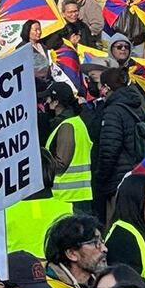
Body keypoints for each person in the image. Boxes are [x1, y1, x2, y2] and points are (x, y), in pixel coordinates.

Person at [93, 66, 145, 208]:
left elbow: (109, 149)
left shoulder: (113, 111)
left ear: (106, 88)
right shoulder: (136, 106)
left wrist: (100, 177)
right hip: (138, 171)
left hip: (117, 178)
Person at [44, 81, 94, 214]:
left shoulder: (67, 126)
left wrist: (41, 166)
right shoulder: (73, 122)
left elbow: (61, 163)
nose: (46, 103)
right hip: (76, 196)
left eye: (48, 99)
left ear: (56, 102)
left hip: (70, 197)